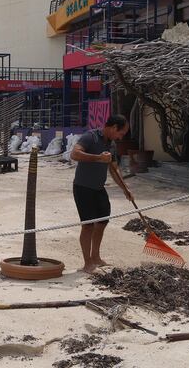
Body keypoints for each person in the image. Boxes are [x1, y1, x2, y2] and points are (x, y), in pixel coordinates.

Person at [70, 114, 133, 273]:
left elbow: (114, 169)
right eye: (121, 133)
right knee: (88, 226)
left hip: (99, 188)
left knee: (103, 222)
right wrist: (98, 158)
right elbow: (74, 154)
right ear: (113, 128)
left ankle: (96, 257)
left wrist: (125, 189)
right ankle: (87, 263)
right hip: (83, 188)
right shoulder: (90, 137)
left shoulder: (111, 144)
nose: (120, 137)